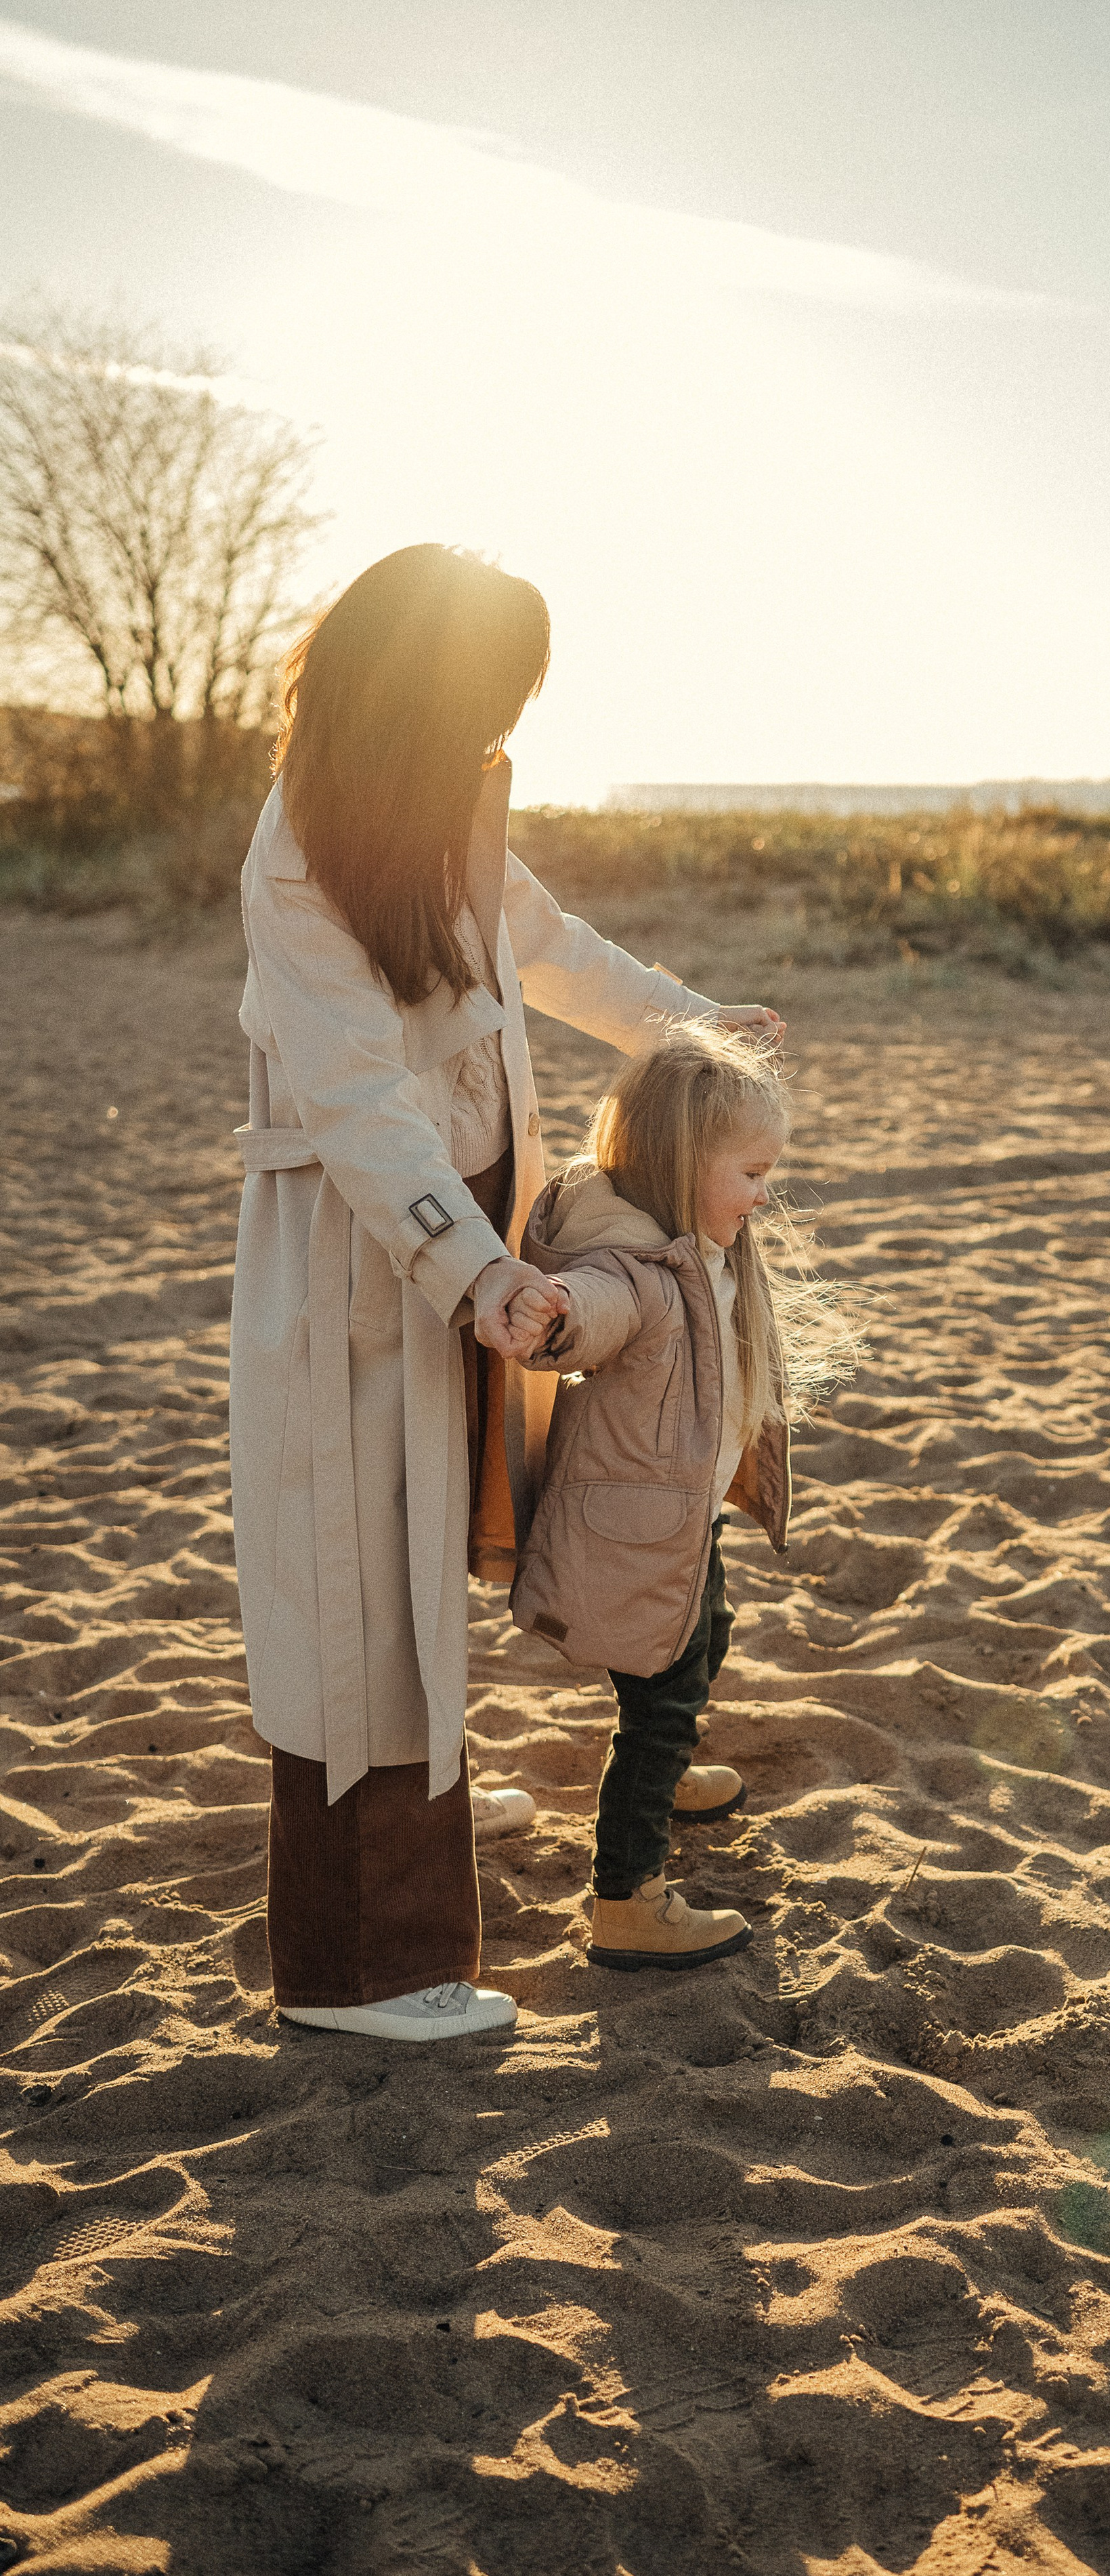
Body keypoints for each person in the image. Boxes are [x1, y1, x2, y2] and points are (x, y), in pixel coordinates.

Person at [230, 543, 780, 2043]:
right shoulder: (300, 847)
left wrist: (689, 1021)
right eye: (479, 694)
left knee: (521, 1523)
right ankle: (364, 1970)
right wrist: (471, 1269)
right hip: (374, 1253)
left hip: (483, 1244)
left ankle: (659, 1737)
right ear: (404, 695)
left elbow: (548, 951)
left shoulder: (448, 814)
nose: (497, 725)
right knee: (363, 1599)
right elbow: (356, 1101)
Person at [507, 1022, 857, 1970]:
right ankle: (626, 1902)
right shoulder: (638, 1272)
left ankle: (661, 1782)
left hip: (679, 1525)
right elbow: (594, 1307)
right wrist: (557, 1318)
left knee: (705, 1645)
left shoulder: (703, 1247)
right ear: (678, 1162)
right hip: (636, 1535)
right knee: (658, 1705)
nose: (764, 1192)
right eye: (749, 1171)